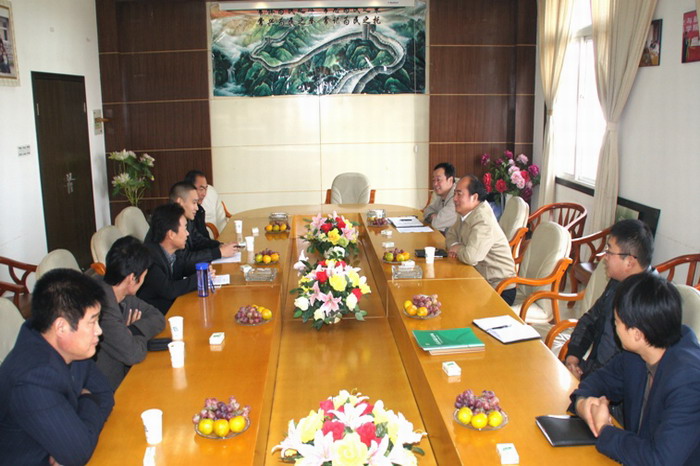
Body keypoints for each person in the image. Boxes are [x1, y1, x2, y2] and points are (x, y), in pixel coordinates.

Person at [571, 273, 700, 464]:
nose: (614, 327)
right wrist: (583, 404)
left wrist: (605, 430)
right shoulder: (640, 351)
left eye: (616, 322)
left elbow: (660, 460)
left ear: (637, 334)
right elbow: (597, 381)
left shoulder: (689, 382)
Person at [0, 269, 114, 465]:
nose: (99, 331)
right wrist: (88, 398)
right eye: (92, 322)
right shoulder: (32, 379)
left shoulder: (69, 346)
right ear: (61, 327)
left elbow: (105, 394)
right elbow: (77, 453)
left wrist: (81, 416)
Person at [565, 219, 654, 380]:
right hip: (593, 371)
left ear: (629, 262)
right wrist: (573, 356)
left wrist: (587, 382)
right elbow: (591, 319)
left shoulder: (648, 301)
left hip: (611, 387)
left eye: (609, 251)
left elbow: (626, 367)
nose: (604, 257)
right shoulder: (618, 281)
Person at [94, 236, 166, 389]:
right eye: (144, 276)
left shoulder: (121, 293)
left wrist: (131, 330)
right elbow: (134, 354)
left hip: (126, 377)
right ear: (132, 278)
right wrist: (131, 337)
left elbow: (157, 316)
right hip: (111, 389)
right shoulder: (101, 308)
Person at [445, 175, 516, 304]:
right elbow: (450, 235)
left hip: (498, 288)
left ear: (474, 197)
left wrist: (457, 248)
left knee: (454, 303)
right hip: (478, 279)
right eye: (454, 194)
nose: (454, 199)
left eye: (459, 194)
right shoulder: (466, 212)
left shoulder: (483, 220)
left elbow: (471, 257)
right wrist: (455, 245)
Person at [138, 203, 199, 314]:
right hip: (154, 315)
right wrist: (200, 277)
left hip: (171, 307)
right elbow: (169, 290)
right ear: (171, 234)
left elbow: (184, 267)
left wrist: (204, 270)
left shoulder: (172, 251)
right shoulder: (150, 257)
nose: (187, 233)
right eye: (185, 228)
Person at [166, 182, 238, 266]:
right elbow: (183, 260)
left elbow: (198, 241)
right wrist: (219, 252)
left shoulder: (187, 220)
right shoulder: (169, 223)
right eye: (194, 203)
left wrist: (220, 246)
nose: (197, 208)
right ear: (180, 202)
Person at [423, 162, 458, 233]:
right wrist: (433, 216)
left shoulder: (456, 198)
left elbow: (437, 223)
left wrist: (434, 217)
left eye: (438, 180)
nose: (435, 184)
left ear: (450, 180)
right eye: (433, 180)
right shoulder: (442, 195)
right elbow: (427, 210)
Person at [184, 170, 211, 239]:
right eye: (201, 189)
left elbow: (204, 238)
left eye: (206, 189)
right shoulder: (179, 217)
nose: (204, 194)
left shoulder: (200, 210)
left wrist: (219, 244)